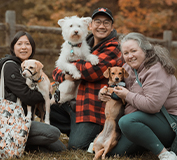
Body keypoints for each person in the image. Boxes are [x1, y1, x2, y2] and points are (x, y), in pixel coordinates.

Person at [99, 32, 177, 160]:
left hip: (172, 122)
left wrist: (127, 95)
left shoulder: (156, 69)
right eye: (126, 53)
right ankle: (151, 143)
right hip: (147, 119)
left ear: (145, 49)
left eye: (134, 51)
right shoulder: (128, 68)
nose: (130, 56)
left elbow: (152, 105)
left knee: (127, 121)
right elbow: (117, 88)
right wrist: (105, 93)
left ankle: (166, 155)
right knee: (116, 153)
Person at [50, 8, 123, 150]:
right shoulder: (82, 43)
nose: (101, 26)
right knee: (47, 105)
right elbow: (56, 71)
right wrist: (65, 74)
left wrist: (69, 66)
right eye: (97, 22)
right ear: (90, 25)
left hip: (93, 107)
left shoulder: (114, 47)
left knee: (77, 146)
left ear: (112, 27)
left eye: (106, 23)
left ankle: (95, 132)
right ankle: (77, 128)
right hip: (74, 101)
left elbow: (92, 71)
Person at [0, 31, 66, 152]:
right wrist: (46, 93)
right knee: (53, 133)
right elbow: (28, 97)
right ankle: (21, 143)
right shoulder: (10, 66)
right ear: (13, 47)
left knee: (60, 148)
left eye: (27, 44)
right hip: (14, 120)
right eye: (19, 44)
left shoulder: (31, 66)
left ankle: (26, 142)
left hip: (29, 119)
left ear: (32, 48)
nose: (23, 47)